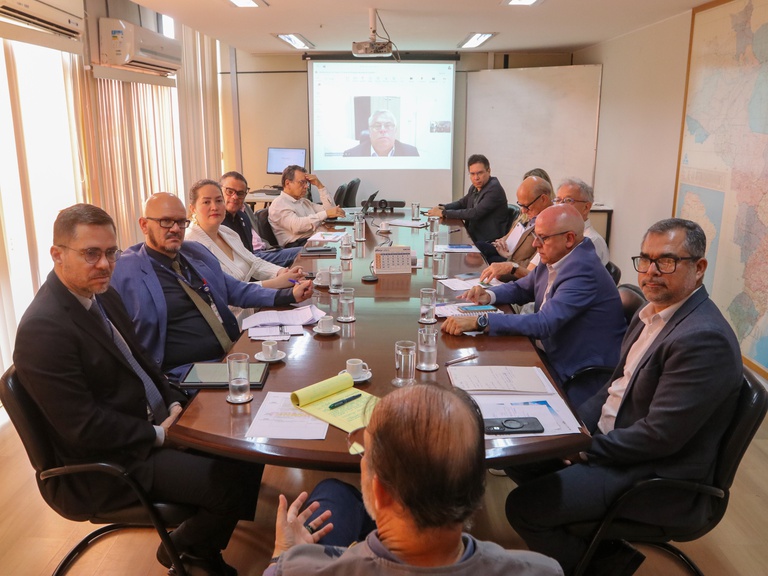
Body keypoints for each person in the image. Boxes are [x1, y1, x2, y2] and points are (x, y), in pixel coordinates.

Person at [14, 204, 260, 576]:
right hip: (107, 464)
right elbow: (83, 429)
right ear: (57, 255)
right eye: (91, 253)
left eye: (111, 253)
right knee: (227, 484)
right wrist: (161, 434)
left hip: (148, 425)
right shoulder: (43, 329)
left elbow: (143, 363)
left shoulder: (102, 294)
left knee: (249, 442)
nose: (105, 264)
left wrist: (177, 405)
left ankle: (194, 544)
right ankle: (189, 552)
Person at [506, 218, 743, 576]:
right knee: (519, 454)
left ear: (699, 268)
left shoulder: (702, 339)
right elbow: (612, 387)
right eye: (645, 259)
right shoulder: (651, 314)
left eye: (666, 261)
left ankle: (606, 566)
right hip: (614, 443)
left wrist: (582, 446)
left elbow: (659, 437)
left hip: (653, 475)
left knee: (523, 507)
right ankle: (597, 541)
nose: (651, 271)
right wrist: (570, 425)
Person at [263, 385, 563, 576]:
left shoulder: (297, 567)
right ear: (478, 487)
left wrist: (280, 554)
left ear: (380, 492)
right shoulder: (543, 570)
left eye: (365, 452)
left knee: (333, 491)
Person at [112, 192, 313, 377]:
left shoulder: (195, 252)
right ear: (144, 225)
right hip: (186, 372)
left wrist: (288, 295)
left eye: (181, 222)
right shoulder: (126, 269)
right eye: (166, 221)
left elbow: (235, 290)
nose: (175, 228)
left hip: (230, 353)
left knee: (293, 368)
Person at [442, 205, 625, 406]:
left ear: (569, 238)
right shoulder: (560, 256)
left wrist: (480, 321)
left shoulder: (583, 271)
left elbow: (543, 323)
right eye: (536, 236)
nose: (535, 245)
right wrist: (489, 295)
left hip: (575, 373)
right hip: (548, 353)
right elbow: (523, 288)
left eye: (543, 238)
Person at [186, 179, 305, 325]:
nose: (214, 207)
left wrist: (282, 272)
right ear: (192, 209)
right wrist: (275, 283)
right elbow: (227, 294)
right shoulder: (191, 245)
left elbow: (255, 262)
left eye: (218, 200)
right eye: (206, 202)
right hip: (230, 324)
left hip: (253, 312)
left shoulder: (227, 232)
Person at [219, 171, 302, 267]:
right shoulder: (217, 222)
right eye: (229, 191)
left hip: (260, 255)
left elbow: (249, 257)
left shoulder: (243, 216)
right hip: (249, 264)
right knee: (303, 253)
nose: (235, 197)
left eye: (240, 193)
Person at [477, 176, 553, 278]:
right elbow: (510, 233)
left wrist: (509, 259)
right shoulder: (528, 214)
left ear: (543, 199)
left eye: (526, 206)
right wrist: (501, 241)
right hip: (507, 255)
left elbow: (531, 268)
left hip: (515, 268)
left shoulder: (551, 225)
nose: (523, 210)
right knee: (477, 249)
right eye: (520, 205)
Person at [426, 154, 509, 243]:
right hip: (473, 237)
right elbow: (462, 203)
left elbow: (475, 213)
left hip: (487, 242)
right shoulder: (474, 187)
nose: (476, 178)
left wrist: (443, 213)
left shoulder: (494, 189)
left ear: (488, 171)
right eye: (472, 174)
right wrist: (443, 207)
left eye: (480, 173)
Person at [268, 165, 346, 247]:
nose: (306, 186)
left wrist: (319, 185)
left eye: (306, 182)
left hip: (314, 239)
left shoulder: (303, 201)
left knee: (346, 242)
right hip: (298, 246)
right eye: (302, 182)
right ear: (287, 183)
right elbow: (297, 227)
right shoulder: (279, 204)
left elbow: (331, 210)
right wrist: (326, 214)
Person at [553, 177, 609, 265]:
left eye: (568, 200)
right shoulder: (557, 234)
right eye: (558, 200)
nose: (560, 205)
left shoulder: (591, 241)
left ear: (586, 207)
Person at [343, 110, 419, 157]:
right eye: (377, 126)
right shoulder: (352, 155)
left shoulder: (411, 153)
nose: (383, 130)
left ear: (395, 131)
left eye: (388, 125)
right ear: (369, 131)